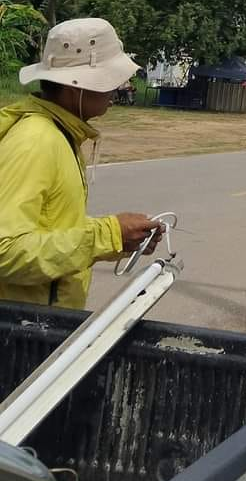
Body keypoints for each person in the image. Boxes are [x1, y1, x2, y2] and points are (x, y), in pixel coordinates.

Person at [0, 17, 163, 308]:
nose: (118, 89)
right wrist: (107, 234)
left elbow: (51, 228)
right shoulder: (36, 141)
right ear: (76, 88)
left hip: (43, 326)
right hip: (23, 335)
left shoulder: (62, 134)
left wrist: (119, 239)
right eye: (110, 80)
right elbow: (6, 251)